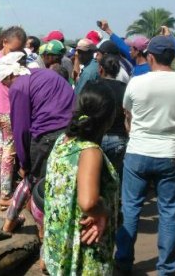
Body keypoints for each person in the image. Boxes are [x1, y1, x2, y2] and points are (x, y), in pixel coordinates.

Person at [115, 36, 175, 275]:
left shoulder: (137, 82)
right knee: (169, 211)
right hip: (171, 153)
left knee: (131, 209)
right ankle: (167, 268)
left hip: (138, 152)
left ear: (150, 56)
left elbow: (127, 111)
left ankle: (123, 262)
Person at [43, 81, 119, 275]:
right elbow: (87, 202)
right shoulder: (90, 152)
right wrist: (103, 212)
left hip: (60, 247)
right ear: (109, 119)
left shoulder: (63, 140)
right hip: (84, 253)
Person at [0, 51, 75, 232]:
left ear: (10, 76)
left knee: (37, 183)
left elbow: (21, 129)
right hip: (69, 133)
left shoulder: (18, 87)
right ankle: (12, 219)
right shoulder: (45, 74)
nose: (5, 87)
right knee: (56, 183)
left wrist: (24, 163)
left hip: (47, 136)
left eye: (4, 82)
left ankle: (42, 234)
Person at [0, 27, 27, 210]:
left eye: (19, 50)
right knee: (9, 153)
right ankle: (5, 194)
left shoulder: (8, 59)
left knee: (1, 148)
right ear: (4, 42)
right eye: (13, 49)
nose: (15, 54)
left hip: (7, 111)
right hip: (7, 111)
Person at [98, 54, 127, 181]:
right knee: (115, 179)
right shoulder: (125, 88)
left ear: (101, 69)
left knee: (97, 178)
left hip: (96, 137)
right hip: (119, 140)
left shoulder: (93, 85)